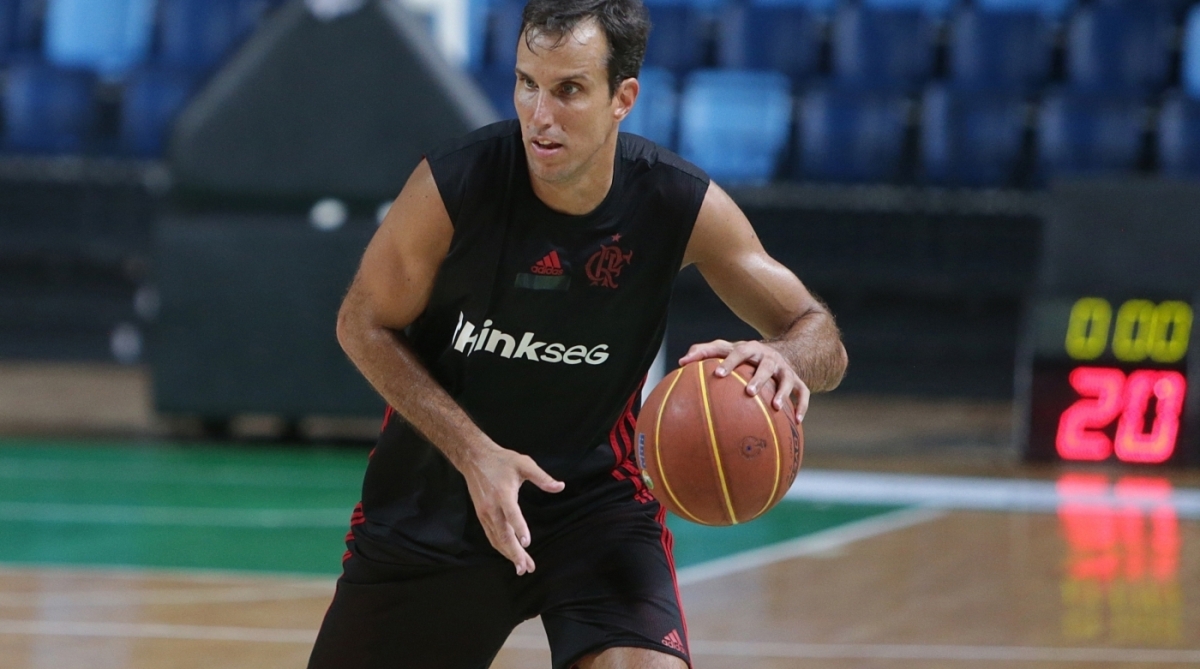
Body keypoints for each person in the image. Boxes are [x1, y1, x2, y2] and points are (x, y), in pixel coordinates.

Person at [309, 0, 847, 667]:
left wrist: (784, 356)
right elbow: (361, 322)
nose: (540, 114)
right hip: (438, 505)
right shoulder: (455, 187)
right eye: (526, 84)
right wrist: (475, 452)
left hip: (596, 510)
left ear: (623, 97)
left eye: (568, 90)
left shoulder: (676, 203)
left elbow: (819, 333)